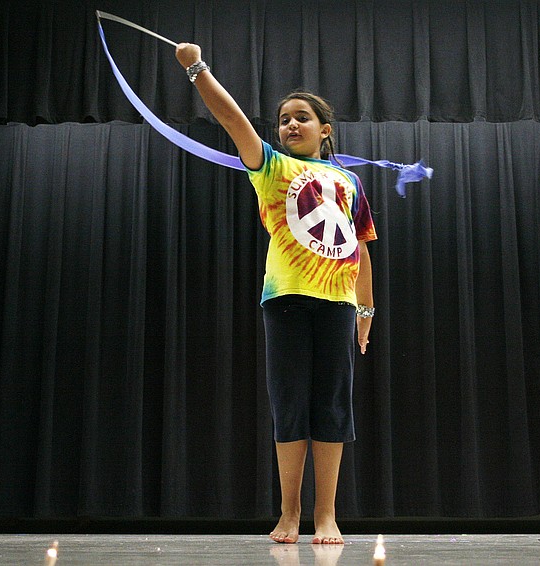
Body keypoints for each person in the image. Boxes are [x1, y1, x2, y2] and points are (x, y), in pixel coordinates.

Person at [175, 44, 376, 545]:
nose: (290, 125)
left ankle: (326, 516)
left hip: (337, 305)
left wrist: (366, 308)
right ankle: (289, 514)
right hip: (285, 302)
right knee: (291, 407)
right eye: (284, 119)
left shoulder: (348, 180)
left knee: (332, 408)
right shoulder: (270, 168)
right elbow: (233, 118)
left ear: (324, 130)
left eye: (302, 118)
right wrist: (197, 68)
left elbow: (362, 249)